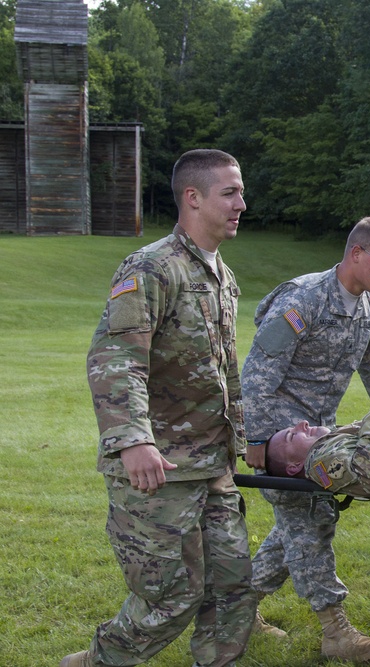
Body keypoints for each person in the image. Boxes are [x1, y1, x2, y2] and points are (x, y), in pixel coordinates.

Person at [63, 149, 253, 667]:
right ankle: (102, 661)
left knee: (232, 587)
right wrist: (133, 439)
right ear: (193, 197)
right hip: (161, 467)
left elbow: (221, 373)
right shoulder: (151, 267)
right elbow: (116, 358)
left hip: (213, 463)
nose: (242, 203)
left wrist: (244, 438)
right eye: (230, 193)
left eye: (240, 192)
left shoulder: (223, 277)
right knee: (171, 595)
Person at [240, 217, 370, 663]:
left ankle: (236, 607)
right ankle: (335, 630)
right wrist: (257, 439)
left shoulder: (369, 309)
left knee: (296, 528)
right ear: (356, 254)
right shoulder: (303, 299)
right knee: (310, 524)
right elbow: (256, 375)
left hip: (320, 434)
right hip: (280, 437)